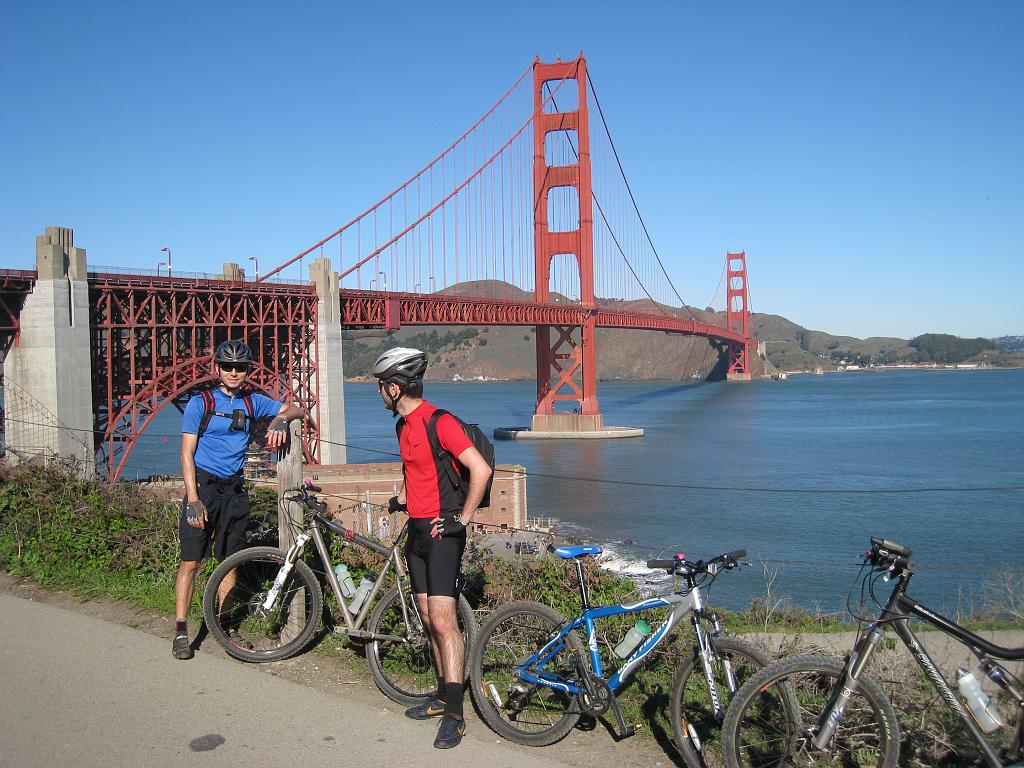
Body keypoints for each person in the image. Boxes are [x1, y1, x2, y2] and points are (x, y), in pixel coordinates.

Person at [374, 346, 492, 749]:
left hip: (444, 533)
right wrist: (402, 501)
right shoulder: (402, 427)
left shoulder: (439, 422)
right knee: (427, 617)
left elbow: (481, 468)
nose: (378, 393)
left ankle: (456, 715)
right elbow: (417, 474)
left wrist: (464, 517)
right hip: (418, 532)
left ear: (394, 387)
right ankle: (443, 695)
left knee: (444, 621)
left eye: (380, 387)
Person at [172, 339, 304, 660]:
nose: (234, 372)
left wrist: (281, 419)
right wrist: (193, 499)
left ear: (246, 371)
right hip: (203, 488)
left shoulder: (252, 402)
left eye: (240, 367)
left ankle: (225, 625)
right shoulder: (199, 403)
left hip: (234, 490)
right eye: (228, 366)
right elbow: (186, 454)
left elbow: (296, 407)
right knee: (191, 562)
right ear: (217, 368)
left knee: (229, 562)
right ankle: (180, 629)